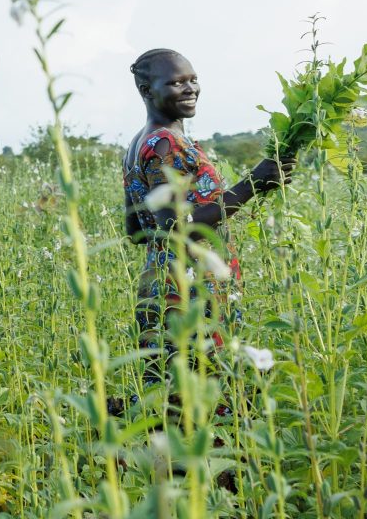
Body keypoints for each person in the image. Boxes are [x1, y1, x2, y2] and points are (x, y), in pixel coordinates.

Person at [123, 48, 293, 391]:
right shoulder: (165, 144)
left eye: (193, 80)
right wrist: (251, 185)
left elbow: (137, 230)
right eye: (176, 82)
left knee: (173, 398)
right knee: (208, 397)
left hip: (161, 285)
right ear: (147, 90)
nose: (190, 89)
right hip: (190, 291)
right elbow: (176, 228)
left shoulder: (140, 143)